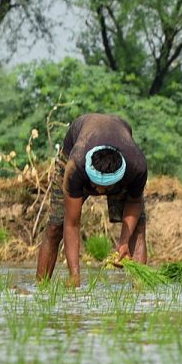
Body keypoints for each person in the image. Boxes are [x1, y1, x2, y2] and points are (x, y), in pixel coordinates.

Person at [36, 113, 148, 287]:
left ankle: (140, 290)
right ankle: (41, 288)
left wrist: (124, 242)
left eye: (106, 188)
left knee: (138, 228)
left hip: (120, 146)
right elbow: (72, 223)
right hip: (77, 148)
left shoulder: (137, 167)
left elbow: (134, 202)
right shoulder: (75, 166)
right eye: (96, 186)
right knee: (55, 224)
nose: (100, 192)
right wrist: (75, 275)